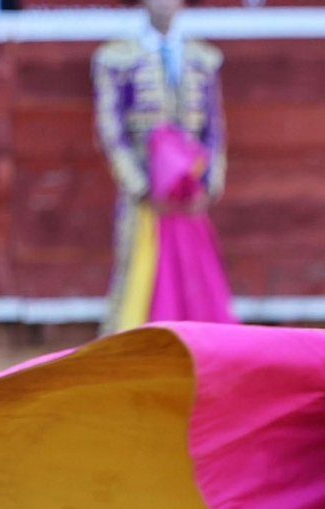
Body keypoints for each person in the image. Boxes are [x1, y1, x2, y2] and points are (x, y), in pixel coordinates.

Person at [93, 0, 229, 334]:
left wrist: (209, 182)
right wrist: (139, 185)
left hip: (190, 195)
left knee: (194, 279)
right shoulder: (115, 58)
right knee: (136, 277)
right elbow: (112, 130)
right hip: (143, 199)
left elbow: (214, 128)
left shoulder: (204, 58)